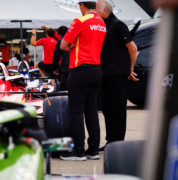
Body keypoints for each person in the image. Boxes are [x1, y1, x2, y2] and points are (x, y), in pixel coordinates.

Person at [59, 0, 106, 161]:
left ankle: (78, 151)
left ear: (81, 5)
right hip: (96, 70)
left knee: (77, 111)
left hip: (80, 70)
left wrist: (72, 46)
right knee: (91, 110)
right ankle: (93, 150)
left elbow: (63, 45)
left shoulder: (80, 21)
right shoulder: (101, 22)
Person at [96, 0, 138, 151]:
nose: (95, 12)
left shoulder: (118, 25)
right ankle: (110, 142)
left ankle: (118, 144)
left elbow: (132, 48)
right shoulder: (102, 26)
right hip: (104, 74)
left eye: (97, 9)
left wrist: (130, 68)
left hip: (118, 74)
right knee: (107, 109)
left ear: (105, 11)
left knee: (118, 109)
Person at [52, 26, 70, 91]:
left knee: (64, 89)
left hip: (66, 66)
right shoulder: (74, 40)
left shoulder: (60, 42)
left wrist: (55, 68)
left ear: (60, 34)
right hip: (77, 67)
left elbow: (56, 56)